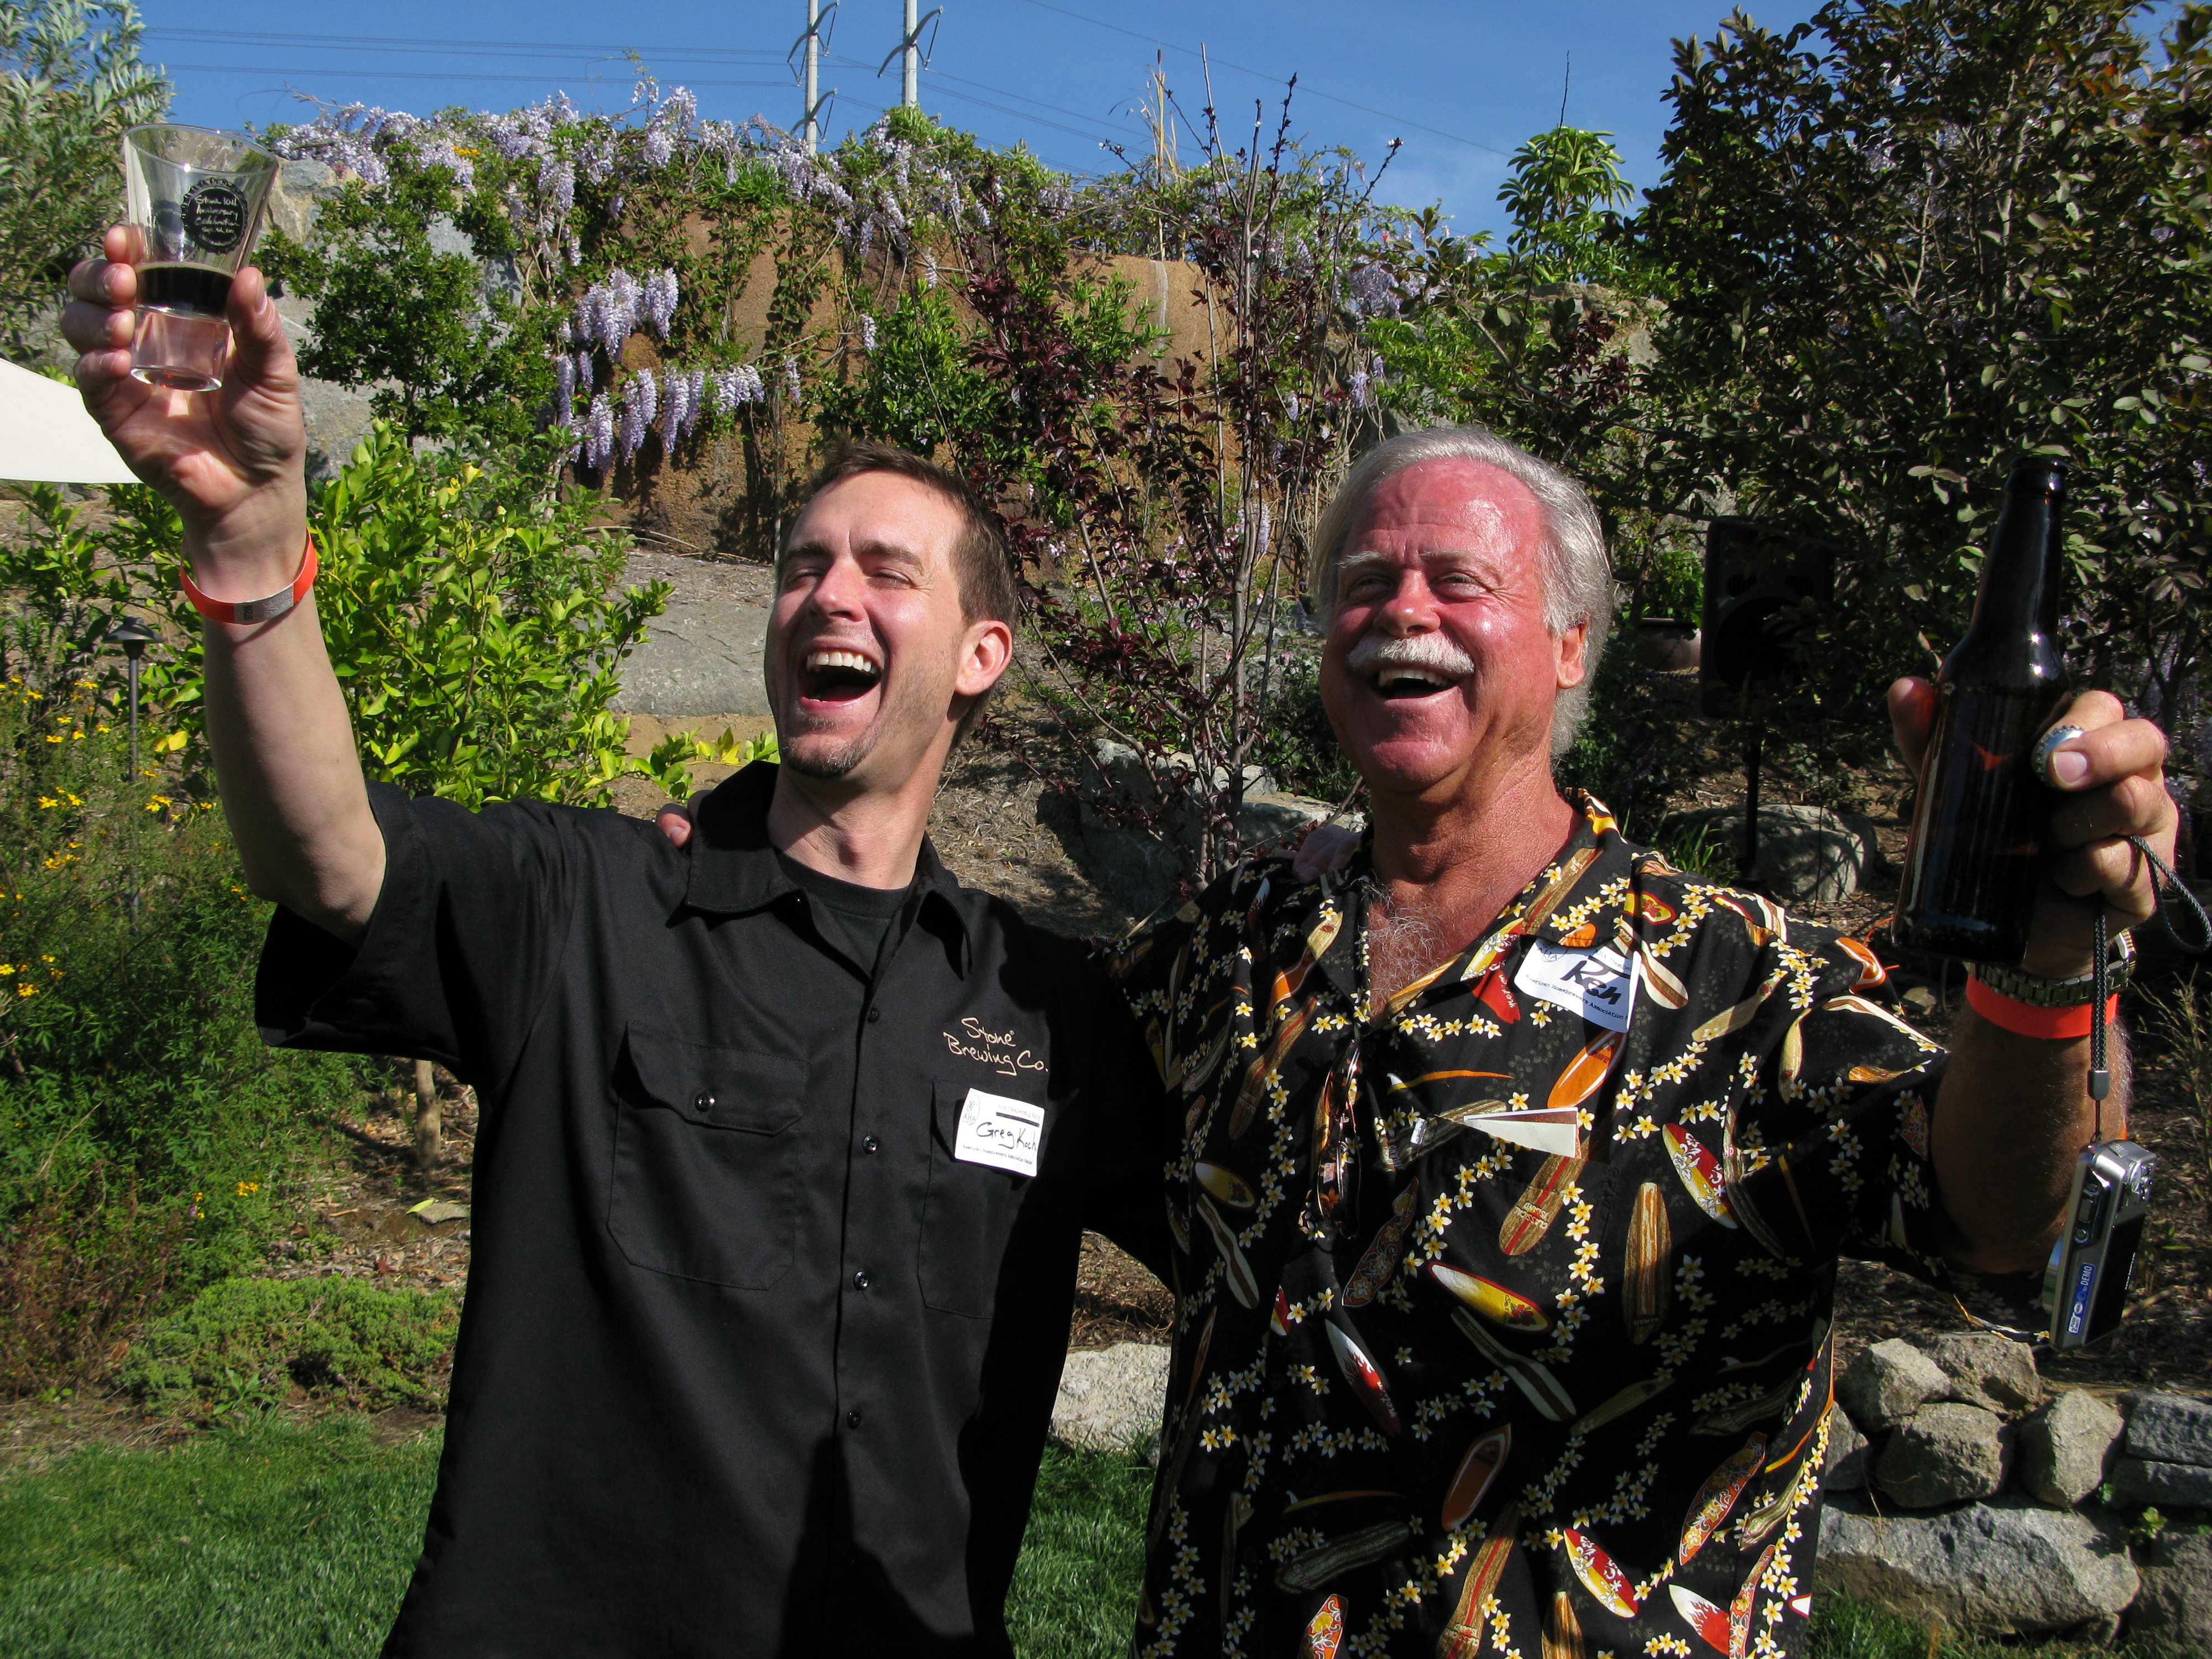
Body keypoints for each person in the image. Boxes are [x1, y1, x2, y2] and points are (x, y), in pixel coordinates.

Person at [62, 236, 1162, 1657]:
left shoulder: (1047, 1008)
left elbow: (1273, 1249)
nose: (828, 597)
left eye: (886, 574)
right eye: (801, 567)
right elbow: (327, 856)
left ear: (978, 656)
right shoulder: (588, 904)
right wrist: (249, 539)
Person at [1099, 426, 2178, 1658]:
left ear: (1570, 647)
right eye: (1363, 583)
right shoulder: (1230, 945)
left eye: (1458, 581)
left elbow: (1991, 1215)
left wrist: (2044, 973)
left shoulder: (1733, 979)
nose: (1402, 611)